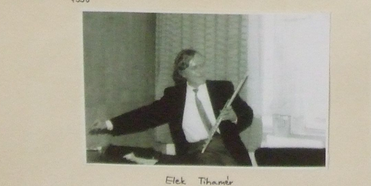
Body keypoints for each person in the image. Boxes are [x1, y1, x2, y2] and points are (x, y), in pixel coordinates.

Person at [91, 47, 254, 165]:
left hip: (228, 149)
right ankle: (122, 153)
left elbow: (247, 115)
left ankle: (146, 158)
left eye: (202, 65)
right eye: (195, 67)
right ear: (183, 73)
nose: (201, 71)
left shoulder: (223, 88)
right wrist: (109, 124)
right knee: (201, 163)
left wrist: (234, 117)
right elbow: (145, 116)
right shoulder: (174, 96)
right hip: (194, 153)